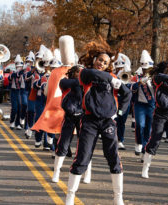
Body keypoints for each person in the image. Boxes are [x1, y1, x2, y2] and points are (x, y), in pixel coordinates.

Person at [65, 40, 131, 205]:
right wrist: (111, 79)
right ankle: (70, 197)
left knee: (113, 158)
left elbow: (127, 93)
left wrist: (120, 112)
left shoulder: (114, 77)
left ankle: (118, 197)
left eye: (106, 62)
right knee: (82, 157)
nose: (102, 63)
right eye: (100, 60)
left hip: (108, 122)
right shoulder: (85, 74)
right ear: (94, 59)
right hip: (89, 121)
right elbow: (95, 75)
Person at [141, 62, 168, 180]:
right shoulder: (159, 78)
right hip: (160, 113)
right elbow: (167, 77)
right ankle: (145, 168)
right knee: (155, 139)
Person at [131, 50, 155, 158]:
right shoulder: (136, 77)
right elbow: (131, 88)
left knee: (149, 128)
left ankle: (145, 148)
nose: (146, 71)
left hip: (151, 105)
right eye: (144, 69)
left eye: (148, 69)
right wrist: (139, 83)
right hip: (139, 104)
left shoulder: (155, 77)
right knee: (140, 125)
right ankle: (138, 143)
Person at [113, 53, 132, 150]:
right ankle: (113, 139)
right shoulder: (112, 75)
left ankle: (120, 140)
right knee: (114, 121)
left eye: (121, 67)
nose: (119, 69)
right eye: (118, 67)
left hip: (124, 103)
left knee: (121, 121)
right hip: (115, 101)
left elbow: (128, 90)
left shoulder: (126, 75)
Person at [9, 55, 23, 130]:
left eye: (20, 66)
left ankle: (17, 123)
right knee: (14, 108)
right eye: (17, 66)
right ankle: (12, 122)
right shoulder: (13, 72)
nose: (19, 67)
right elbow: (10, 78)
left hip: (20, 91)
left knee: (19, 108)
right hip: (14, 91)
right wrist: (16, 73)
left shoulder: (23, 73)